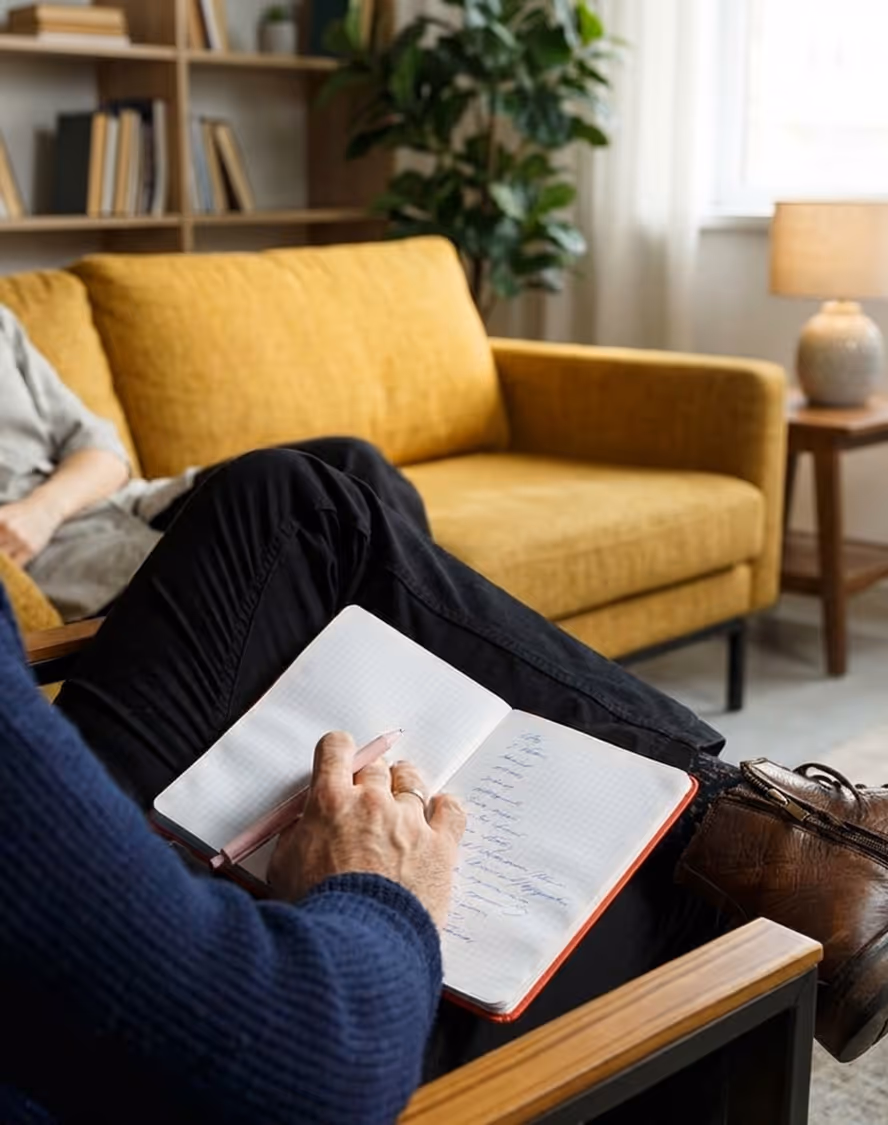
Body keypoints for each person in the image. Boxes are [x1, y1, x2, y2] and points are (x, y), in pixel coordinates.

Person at [3, 324, 888, 1121]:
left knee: (299, 492)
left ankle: (758, 827)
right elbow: (306, 1066)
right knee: (675, 871)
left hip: (109, 518)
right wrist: (377, 887)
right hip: (236, 1049)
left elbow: (98, 448)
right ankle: (763, 833)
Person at [0, 303, 428, 622]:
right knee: (297, 562)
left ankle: (441, 652)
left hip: (135, 502)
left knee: (348, 462)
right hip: (87, 569)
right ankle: (442, 666)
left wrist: (44, 507)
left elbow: (105, 454)